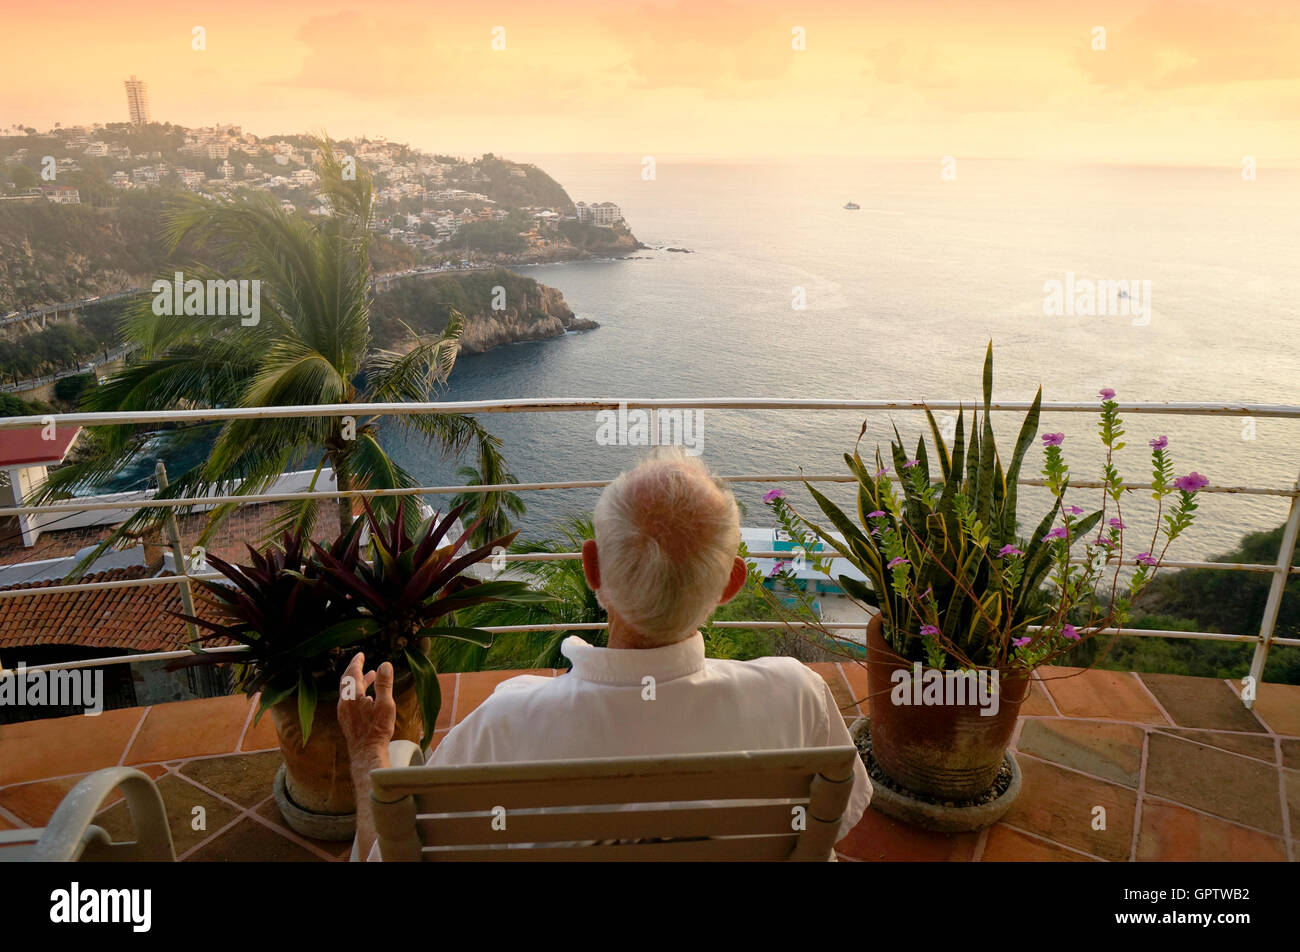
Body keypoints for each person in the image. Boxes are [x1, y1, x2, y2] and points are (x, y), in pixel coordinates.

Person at [339, 447, 871, 859]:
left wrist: (370, 753)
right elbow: (839, 818)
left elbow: (393, 852)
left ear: (591, 568)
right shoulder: (796, 692)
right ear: (730, 584)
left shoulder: (507, 721)